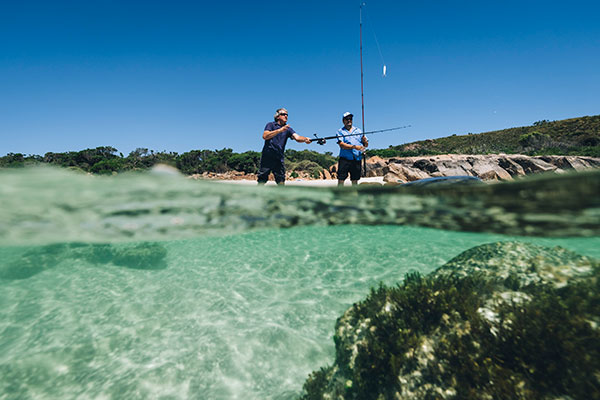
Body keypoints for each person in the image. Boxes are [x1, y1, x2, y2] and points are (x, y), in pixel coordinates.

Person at [258, 108, 311, 185]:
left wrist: (305, 139)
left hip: (279, 158)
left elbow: (297, 138)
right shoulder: (270, 125)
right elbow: (265, 136)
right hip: (267, 156)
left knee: (281, 181)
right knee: (262, 179)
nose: (286, 116)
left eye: (287, 115)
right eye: (283, 114)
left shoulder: (288, 129)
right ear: (277, 116)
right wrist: (280, 130)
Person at [336, 112, 368, 186]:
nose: (349, 120)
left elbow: (366, 145)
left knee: (355, 179)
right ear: (343, 120)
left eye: (350, 119)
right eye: (347, 119)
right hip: (345, 159)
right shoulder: (340, 131)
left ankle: (355, 195)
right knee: (341, 179)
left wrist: (365, 141)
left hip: (357, 159)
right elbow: (341, 145)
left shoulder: (359, 131)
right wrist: (354, 147)